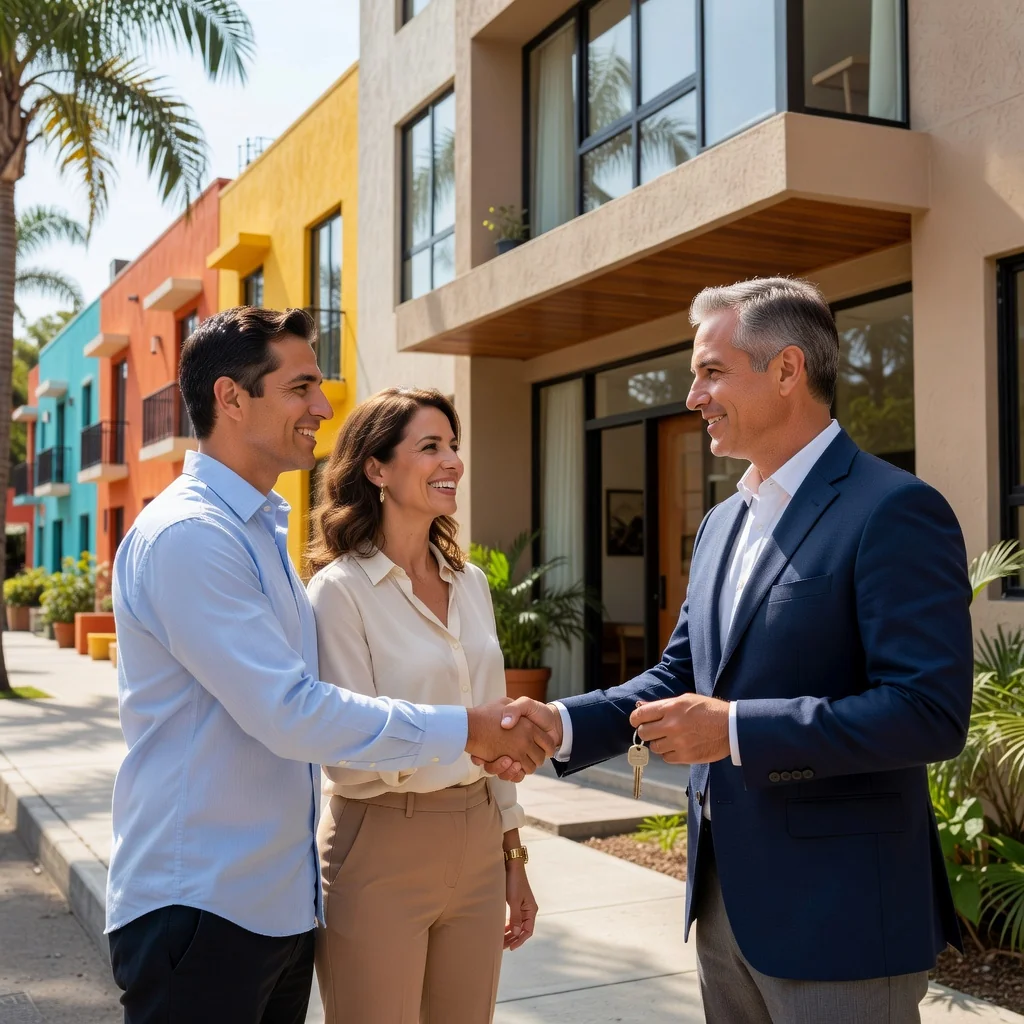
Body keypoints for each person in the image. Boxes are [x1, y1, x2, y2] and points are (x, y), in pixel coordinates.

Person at [497, 278, 974, 1023]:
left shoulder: (895, 511)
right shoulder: (723, 522)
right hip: (723, 909)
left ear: (787, 371)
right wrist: (560, 725)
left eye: (711, 372)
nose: (693, 396)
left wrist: (736, 730)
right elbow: (680, 674)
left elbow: (928, 712)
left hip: (840, 920)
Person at [105, 307, 553, 1024]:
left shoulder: (254, 534)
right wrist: (469, 729)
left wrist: (505, 837)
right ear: (231, 397)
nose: (322, 406)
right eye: (301, 387)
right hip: (203, 907)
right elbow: (291, 713)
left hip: (274, 906)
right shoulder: (192, 536)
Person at [305, 387, 537, 1024]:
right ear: (376, 469)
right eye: (430, 447)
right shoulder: (339, 592)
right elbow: (347, 755)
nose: (453, 462)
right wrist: (469, 736)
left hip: (480, 839)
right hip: (379, 843)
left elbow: (496, 726)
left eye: (454, 447)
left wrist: (513, 855)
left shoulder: (472, 584)